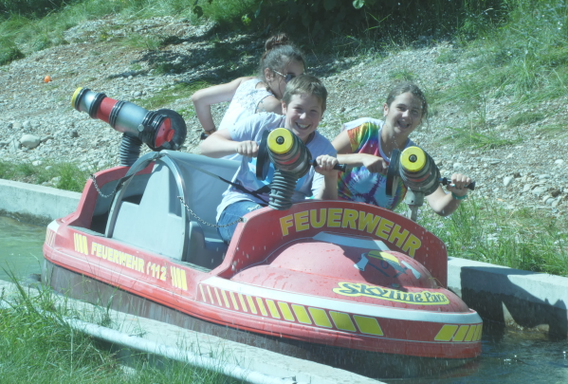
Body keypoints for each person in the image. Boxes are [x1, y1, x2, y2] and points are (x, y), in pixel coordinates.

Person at [201, 75, 339, 244]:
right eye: (298, 108)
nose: (304, 117)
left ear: (321, 115)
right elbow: (206, 146)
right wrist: (238, 146)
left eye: (313, 111)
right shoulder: (263, 123)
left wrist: (330, 177)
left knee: (281, 230)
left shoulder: (324, 150)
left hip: (289, 217)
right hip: (241, 204)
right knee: (263, 226)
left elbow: (323, 212)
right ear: (284, 107)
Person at [332, 82, 472, 217]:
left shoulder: (416, 158)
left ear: (420, 119)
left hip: (371, 227)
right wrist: (362, 158)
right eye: (401, 108)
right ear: (386, 109)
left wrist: (457, 194)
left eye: (414, 112)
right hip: (330, 213)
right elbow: (322, 157)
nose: (406, 115)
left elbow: (440, 207)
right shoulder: (364, 130)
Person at [191, 33, 305, 141]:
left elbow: (199, 98)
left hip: (214, 150)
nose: (298, 84)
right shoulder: (275, 107)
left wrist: (211, 133)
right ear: (269, 74)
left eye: (301, 77)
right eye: (290, 77)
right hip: (236, 155)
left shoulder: (246, 82)